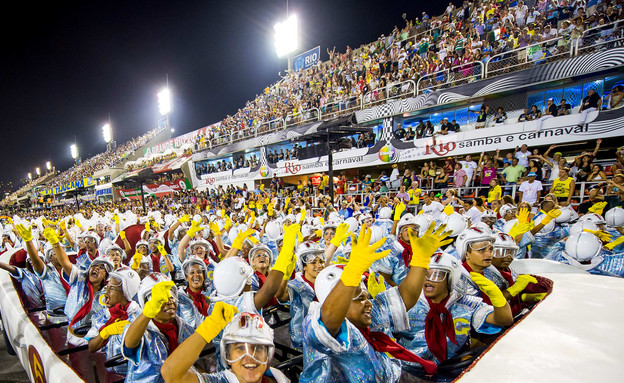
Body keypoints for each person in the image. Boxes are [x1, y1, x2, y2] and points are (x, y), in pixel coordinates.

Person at [299, 224, 451, 382]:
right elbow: (329, 316)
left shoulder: (372, 315)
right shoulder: (315, 324)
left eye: (366, 297)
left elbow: (406, 297)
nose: (368, 303)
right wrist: (352, 273)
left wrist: (420, 261)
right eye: (359, 298)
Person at [396, 252, 513, 374]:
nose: (428, 281)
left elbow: (504, 320)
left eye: (437, 275)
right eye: (424, 274)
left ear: (450, 278)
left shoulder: (467, 304)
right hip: (408, 373)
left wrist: (498, 299)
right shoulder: (406, 301)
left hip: (451, 372)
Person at [161, 306, 290, 383]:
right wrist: (209, 327)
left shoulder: (278, 378)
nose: (249, 355)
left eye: (259, 347)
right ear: (228, 356)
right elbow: (171, 374)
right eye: (240, 348)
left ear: (269, 355)